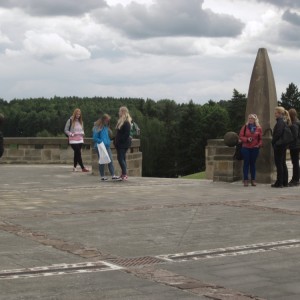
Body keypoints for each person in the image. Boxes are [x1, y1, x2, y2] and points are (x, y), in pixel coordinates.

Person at [93, 114, 120, 181]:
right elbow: (95, 138)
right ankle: (102, 176)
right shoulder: (97, 127)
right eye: (107, 120)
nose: (108, 122)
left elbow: (106, 137)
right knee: (102, 161)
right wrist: (102, 142)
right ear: (103, 120)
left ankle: (113, 175)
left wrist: (109, 140)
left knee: (110, 160)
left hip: (107, 146)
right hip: (100, 147)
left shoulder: (106, 127)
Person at [239, 114, 262, 186]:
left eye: (251, 118)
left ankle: (253, 180)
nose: (250, 119)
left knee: (253, 164)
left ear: (255, 119)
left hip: (254, 148)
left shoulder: (258, 128)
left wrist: (258, 145)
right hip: (245, 148)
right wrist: (247, 139)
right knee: (246, 163)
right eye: (249, 118)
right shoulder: (245, 127)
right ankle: (245, 180)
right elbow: (240, 136)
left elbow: (260, 139)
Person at [271, 107, 291, 188]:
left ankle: (279, 183)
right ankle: (284, 182)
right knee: (282, 164)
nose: (275, 114)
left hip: (279, 145)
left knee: (279, 164)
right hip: (283, 145)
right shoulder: (283, 121)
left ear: (279, 113)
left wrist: (273, 142)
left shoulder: (280, 122)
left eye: (276, 113)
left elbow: (278, 133)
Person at [64, 108, 89, 172]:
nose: (78, 115)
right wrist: (71, 134)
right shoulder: (70, 120)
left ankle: (74, 167)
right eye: (77, 114)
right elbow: (65, 130)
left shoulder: (81, 121)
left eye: (79, 114)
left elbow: (82, 129)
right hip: (73, 140)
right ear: (74, 113)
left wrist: (83, 133)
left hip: (80, 139)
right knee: (78, 153)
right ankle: (83, 167)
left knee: (76, 153)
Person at [115, 106, 132, 181]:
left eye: (119, 111)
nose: (118, 113)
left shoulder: (126, 122)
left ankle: (124, 174)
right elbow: (119, 133)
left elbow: (126, 134)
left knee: (120, 158)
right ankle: (123, 174)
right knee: (122, 158)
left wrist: (119, 141)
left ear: (123, 112)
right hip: (120, 143)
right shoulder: (121, 121)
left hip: (123, 144)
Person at [288, 108, 300, 186]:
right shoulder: (298, 122)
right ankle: (296, 178)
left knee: (295, 163)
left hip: (295, 145)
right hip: (297, 145)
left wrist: (288, 142)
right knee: (296, 163)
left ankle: (295, 179)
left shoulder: (294, 124)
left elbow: (294, 136)